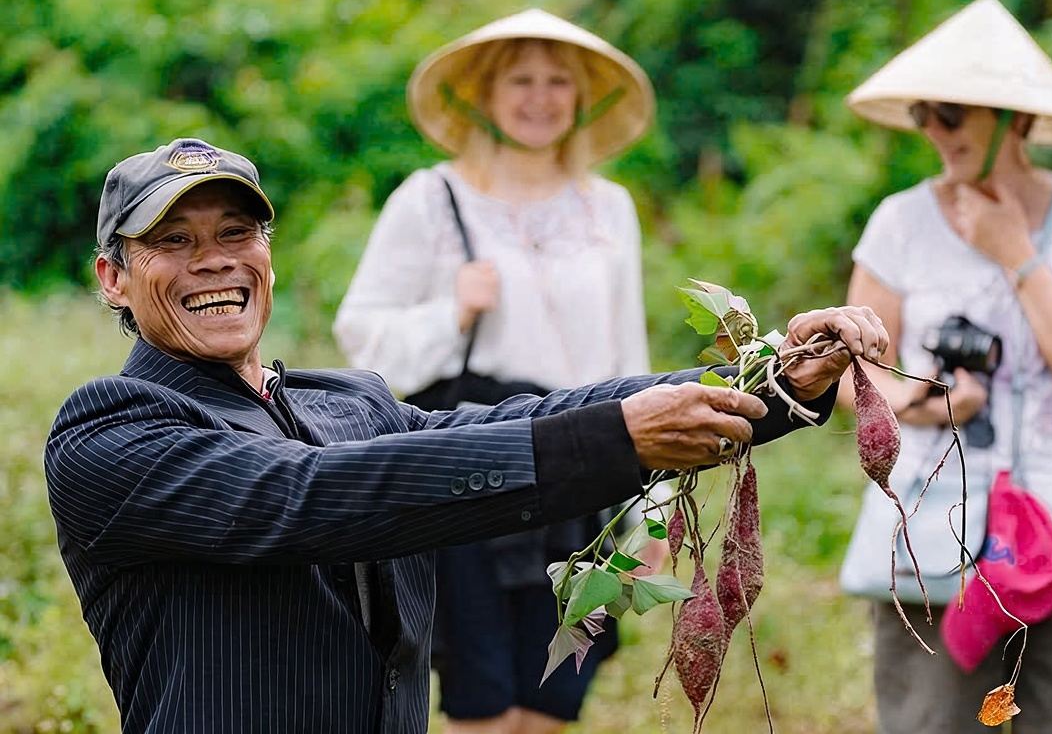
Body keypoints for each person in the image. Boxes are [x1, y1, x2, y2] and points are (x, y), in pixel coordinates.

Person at [46, 136, 887, 734]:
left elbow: (518, 419)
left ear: (268, 253)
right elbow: (312, 496)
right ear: (113, 278)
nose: (214, 260)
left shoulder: (344, 401)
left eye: (237, 234)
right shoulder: (112, 433)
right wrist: (616, 440)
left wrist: (773, 379)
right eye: (172, 243)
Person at [333, 8, 659, 733]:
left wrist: (651, 507)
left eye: (556, 83)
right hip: (475, 459)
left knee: (554, 698)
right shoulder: (432, 198)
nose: (539, 98)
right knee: (481, 696)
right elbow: (363, 336)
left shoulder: (609, 207)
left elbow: (627, 358)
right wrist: (451, 310)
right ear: (483, 94)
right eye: (521, 81)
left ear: (580, 100)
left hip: (591, 455)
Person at [839, 0, 1052, 733]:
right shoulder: (900, 221)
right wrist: (930, 404)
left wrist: (1016, 253)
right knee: (932, 722)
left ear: (1016, 120)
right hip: (935, 512)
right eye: (925, 116)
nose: (936, 134)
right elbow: (860, 377)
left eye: (953, 115)